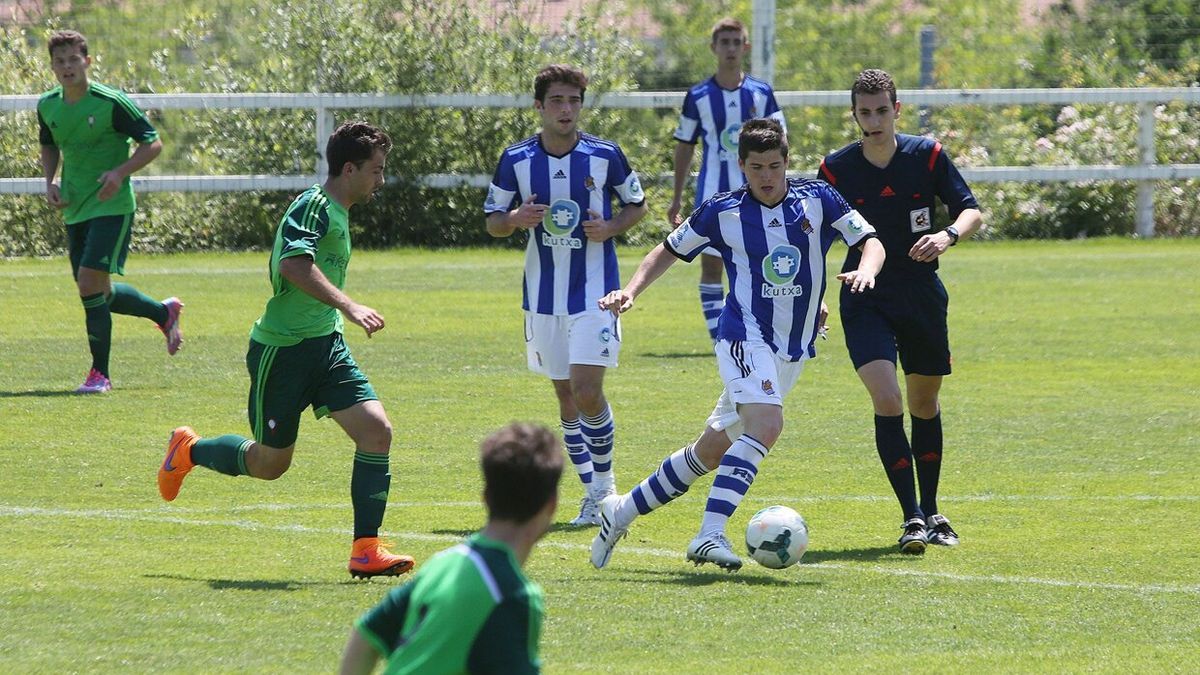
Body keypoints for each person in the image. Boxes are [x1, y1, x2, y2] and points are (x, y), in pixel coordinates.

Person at [590, 119, 885, 571]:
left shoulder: (818, 199)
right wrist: (630, 290)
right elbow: (667, 250)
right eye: (755, 168)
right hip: (744, 336)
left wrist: (867, 269)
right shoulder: (722, 210)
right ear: (741, 166)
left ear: (787, 161)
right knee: (766, 425)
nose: (766, 176)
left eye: (773, 165)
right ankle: (708, 536)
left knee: (711, 451)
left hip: (791, 347)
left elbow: (870, 241)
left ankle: (620, 510)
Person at [157, 121, 414, 579]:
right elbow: (292, 264)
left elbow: (285, 265)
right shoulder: (314, 205)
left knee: (377, 432)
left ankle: (366, 549)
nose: (381, 179)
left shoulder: (336, 210)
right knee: (269, 464)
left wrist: (334, 315)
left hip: (326, 347)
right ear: (349, 168)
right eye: (376, 170)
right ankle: (189, 450)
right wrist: (349, 305)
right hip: (283, 352)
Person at [817, 69, 984, 553]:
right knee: (887, 399)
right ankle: (911, 517)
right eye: (864, 112)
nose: (873, 120)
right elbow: (816, 239)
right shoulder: (836, 169)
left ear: (897, 110)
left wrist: (947, 236)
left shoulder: (926, 155)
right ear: (854, 114)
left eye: (881, 110)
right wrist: (818, 295)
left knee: (923, 404)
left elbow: (970, 210)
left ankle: (933, 511)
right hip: (864, 294)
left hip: (920, 295)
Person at [484, 64, 647, 527]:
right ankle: (591, 494)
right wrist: (514, 218)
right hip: (542, 297)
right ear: (539, 106)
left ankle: (606, 488)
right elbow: (492, 220)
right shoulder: (516, 159)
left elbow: (637, 204)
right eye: (557, 100)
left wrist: (613, 226)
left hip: (597, 293)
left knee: (587, 389)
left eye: (574, 100)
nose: (566, 109)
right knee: (566, 397)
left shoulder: (606, 155)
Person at [339, 422, 563, 675]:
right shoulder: (512, 594)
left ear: (485, 496)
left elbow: (366, 636)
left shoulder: (443, 564)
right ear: (551, 505)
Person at [37, 30, 183, 394]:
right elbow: (49, 144)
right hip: (76, 207)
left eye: (73, 59)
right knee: (99, 292)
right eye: (60, 61)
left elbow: (152, 142)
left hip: (112, 206)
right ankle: (163, 314)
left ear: (87, 61)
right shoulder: (48, 105)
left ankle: (99, 375)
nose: (67, 67)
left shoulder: (110, 102)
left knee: (89, 283)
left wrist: (119, 173)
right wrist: (50, 181)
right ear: (53, 66)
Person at [668, 17, 786, 345]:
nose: (731, 48)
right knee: (711, 268)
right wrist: (677, 197)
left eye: (736, 42)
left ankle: (763, 331)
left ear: (745, 46)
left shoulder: (762, 93)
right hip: (713, 192)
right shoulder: (698, 96)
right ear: (714, 48)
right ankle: (719, 337)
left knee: (763, 262)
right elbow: (684, 146)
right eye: (725, 42)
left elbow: (782, 141)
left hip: (759, 192)